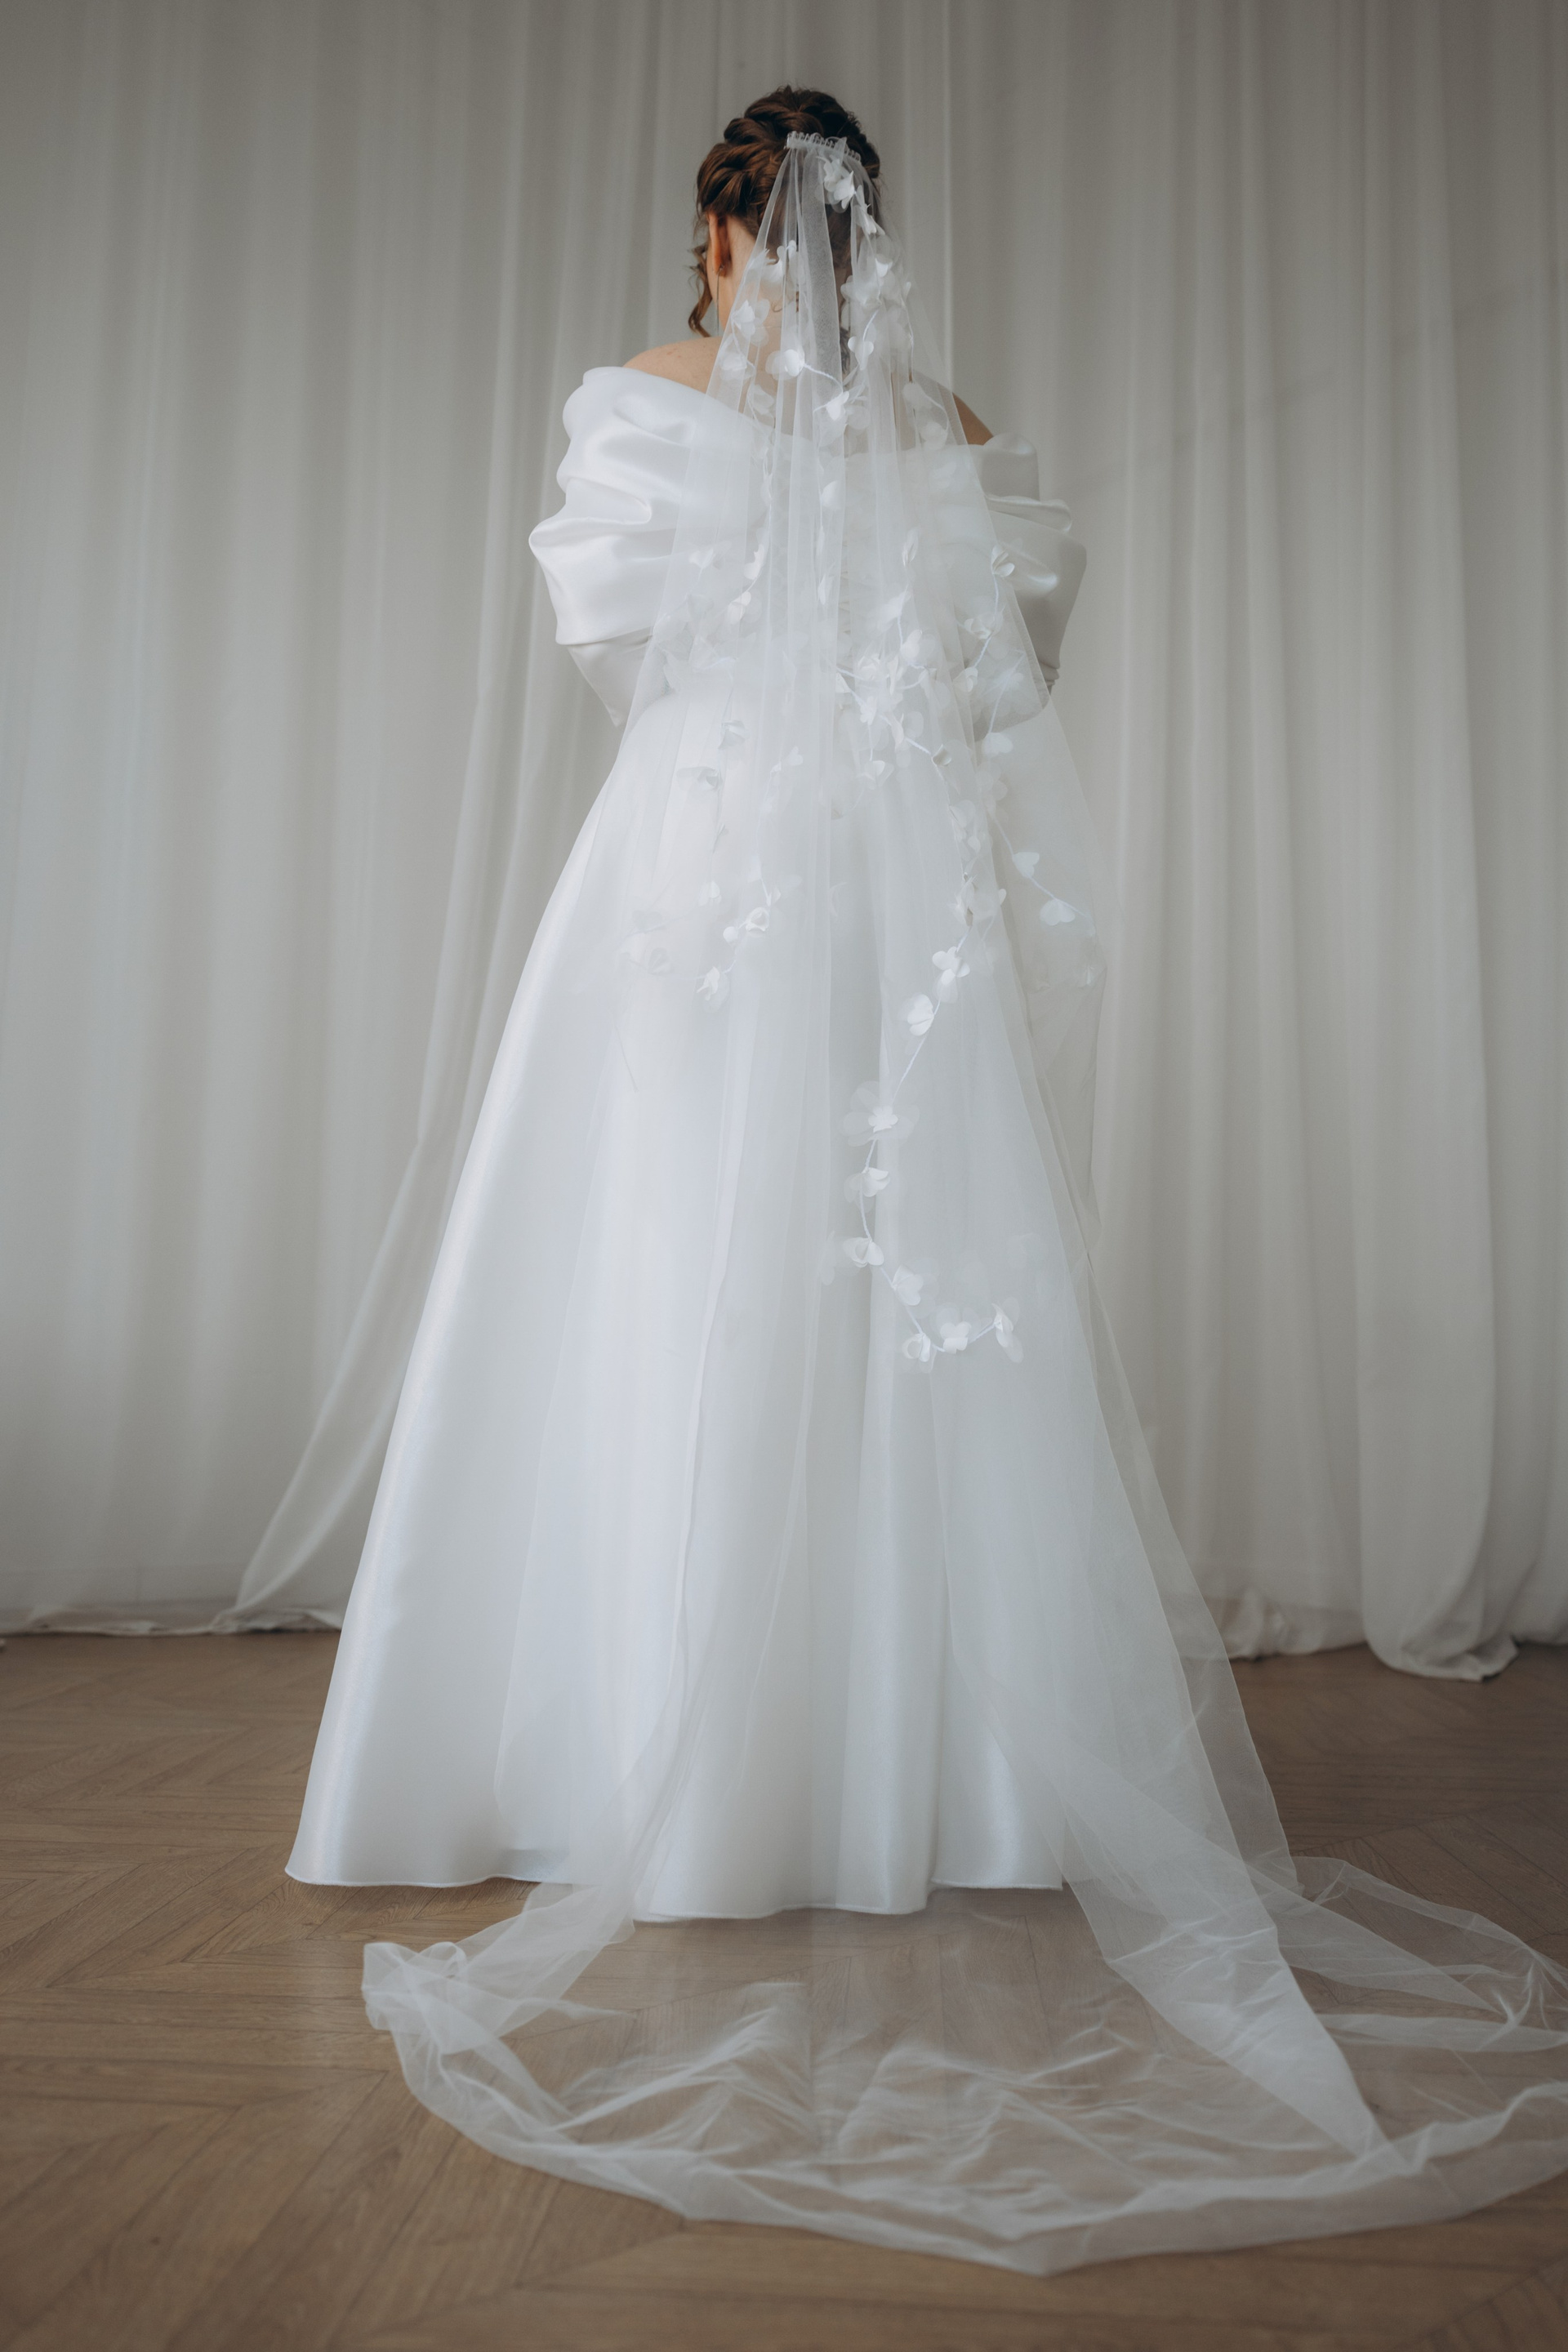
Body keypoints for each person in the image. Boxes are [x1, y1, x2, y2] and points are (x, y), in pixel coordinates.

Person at [286, 89, 1568, 2274]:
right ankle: (923, 1771)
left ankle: (656, 1765)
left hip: (693, 866)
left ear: (719, 235)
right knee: (887, 1284)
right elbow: (1004, 675)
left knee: (669, 1265)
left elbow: (611, 652)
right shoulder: (942, 426)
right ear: (862, 234)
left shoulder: (649, 396)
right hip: (883, 884)